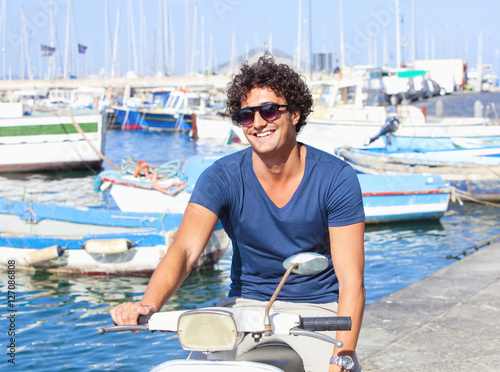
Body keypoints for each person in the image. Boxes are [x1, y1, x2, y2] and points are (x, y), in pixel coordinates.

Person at [110, 55, 366, 372]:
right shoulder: (221, 177)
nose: (258, 123)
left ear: (295, 114)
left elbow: (351, 280)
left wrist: (342, 357)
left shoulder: (336, 178)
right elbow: (185, 249)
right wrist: (148, 304)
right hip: (245, 309)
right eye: (246, 116)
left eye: (269, 110)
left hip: (320, 310)